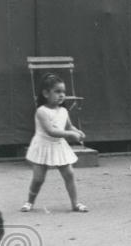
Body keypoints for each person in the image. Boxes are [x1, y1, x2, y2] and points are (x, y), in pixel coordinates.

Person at [22, 73, 88, 212]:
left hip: (58, 146)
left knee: (69, 174)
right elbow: (51, 131)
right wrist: (70, 135)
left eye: (63, 92)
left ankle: (75, 204)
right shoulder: (41, 111)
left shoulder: (64, 110)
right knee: (38, 179)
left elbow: (69, 126)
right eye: (57, 91)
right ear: (46, 93)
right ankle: (29, 202)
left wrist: (77, 132)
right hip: (42, 147)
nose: (61, 95)